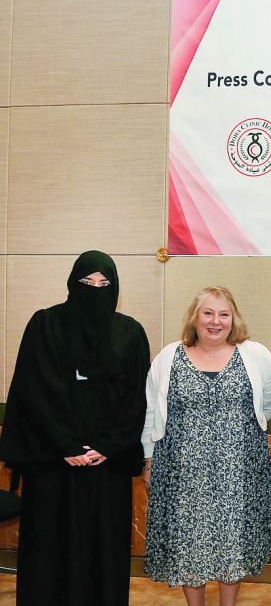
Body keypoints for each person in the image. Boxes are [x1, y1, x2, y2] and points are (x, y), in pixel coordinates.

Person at [0, 250, 151, 605]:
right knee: (49, 551)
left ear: (115, 289)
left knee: (102, 553)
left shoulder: (129, 332)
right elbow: (34, 391)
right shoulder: (45, 324)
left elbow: (136, 399)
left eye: (104, 283)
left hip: (105, 467)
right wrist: (65, 446)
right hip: (53, 465)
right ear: (72, 283)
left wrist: (107, 447)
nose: (95, 289)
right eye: (86, 282)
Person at [141, 286, 271, 605]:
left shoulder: (255, 354)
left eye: (223, 313)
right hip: (182, 475)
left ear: (234, 319)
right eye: (208, 312)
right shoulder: (169, 356)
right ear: (195, 317)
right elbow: (151, 410)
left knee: (233, 543)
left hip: (239, 474)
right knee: (191, 546)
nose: (215, 321)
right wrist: (149, 461)